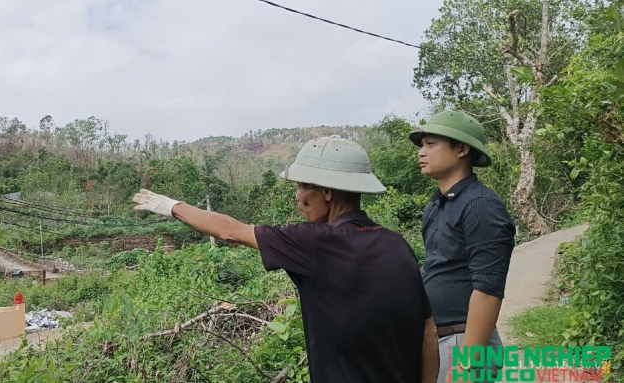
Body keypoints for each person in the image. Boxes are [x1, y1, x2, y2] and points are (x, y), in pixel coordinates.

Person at [132, 136, 439, 383]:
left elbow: (230, 231)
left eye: (302, 185)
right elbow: (427, 331)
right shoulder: (397, 245)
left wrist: (169, 205)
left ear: (327, 192)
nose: (297, 196)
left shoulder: (315, 242)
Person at [408, 111, 517, 383]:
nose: (421, 152)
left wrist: (468, 365)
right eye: (422, 144)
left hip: (464, 343)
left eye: (430, 144)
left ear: (461, 149)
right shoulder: (437, 204)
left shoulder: (481, 205)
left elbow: (488, 290)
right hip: (438, 340)